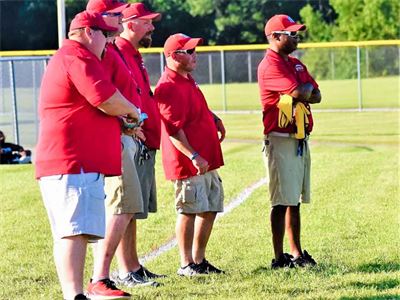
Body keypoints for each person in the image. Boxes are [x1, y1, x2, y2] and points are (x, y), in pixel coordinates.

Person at [35, 10, 139, 300]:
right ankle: (75, 295)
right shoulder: (77, 56)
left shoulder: (76, 56)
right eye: (105, 35)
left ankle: (76, 293)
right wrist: (133, 112)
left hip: (73, 161)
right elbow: (105, 98)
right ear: (89, 32)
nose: (108, 41)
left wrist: (122, 125)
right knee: (73, 232)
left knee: (76, 232)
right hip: (71, 161)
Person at [85, 0, 159, 297]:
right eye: (116, 13)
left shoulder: (116, 49)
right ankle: (101, 277)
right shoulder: (103, 51)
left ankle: (126, 269)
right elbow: (101, 95)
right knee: (120, 206)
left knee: (128, 207)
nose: (121, 15)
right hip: (117, 138)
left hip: (131, 135)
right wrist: (125, 123)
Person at [154, 33, 226, 276]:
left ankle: (199, 260)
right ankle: (186, 264)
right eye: (190, 51)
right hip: (189, 163)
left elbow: (196, 110)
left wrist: (214, 118)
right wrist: (194, 155)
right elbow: (173, 129)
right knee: (189, 210)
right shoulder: (168, 86)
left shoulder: (187, 79)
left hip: (205, 159)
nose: (196, 55)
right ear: (174, 56)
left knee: (211, 206)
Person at [257, 14, 321, 269]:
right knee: (281, 200)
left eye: (296, 33)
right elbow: (300, 92)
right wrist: (301, 90)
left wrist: (302, 90)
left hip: (298, 137)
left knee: (294, 199)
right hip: (281, 138)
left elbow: (316, 94)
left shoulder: (294, 63)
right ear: (275, 37)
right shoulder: (270, 65)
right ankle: (279, 256)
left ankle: (296, 253)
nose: (296, 37)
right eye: (291, 33)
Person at [109, 3, 165, 287]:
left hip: (144, 139)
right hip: (131, 139)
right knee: (125, 207)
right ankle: (124, 269)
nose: (152, 28)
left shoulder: (133, 54)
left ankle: (132, 265)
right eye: (147, 22)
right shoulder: (116, 51)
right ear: (130, 24)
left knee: (133, 209)